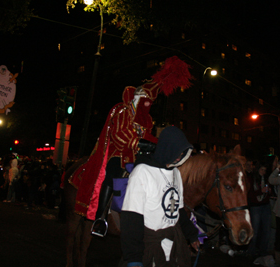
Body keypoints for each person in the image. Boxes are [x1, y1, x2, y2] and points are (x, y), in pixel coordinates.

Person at [68, 56, 193, 237]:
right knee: (112, 174)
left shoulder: (146, 119)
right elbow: (118, 136)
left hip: (137, 155)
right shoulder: (122, 111)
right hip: (117, 153)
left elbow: (149, 136)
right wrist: (141, 143)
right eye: (145, 98)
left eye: (150, 100)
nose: (147, 103)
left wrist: (158, 145)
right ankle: (99, 217)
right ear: (137, 97)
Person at [120, 126, 199, 267]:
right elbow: (131, 218)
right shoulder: (142, 172)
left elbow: (179, 211)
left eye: (183, 152)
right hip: (150, 246)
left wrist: (191, 235)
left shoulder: (176, 173)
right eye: (178, 151)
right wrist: (134, 258)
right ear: (167, 148)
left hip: (175, 244)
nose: (180, 156)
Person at [246, 162, 271, 258]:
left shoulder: (265, 179)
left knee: (266, 230)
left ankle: (263, 250)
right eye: (262, 170)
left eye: (265, 170)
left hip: (265, 205)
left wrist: (268, 192)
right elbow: (249, 194)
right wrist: (260, 191)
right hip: (255, 206)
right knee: (255, 230)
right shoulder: (252, 179)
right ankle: (251, 251)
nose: (263, 172)